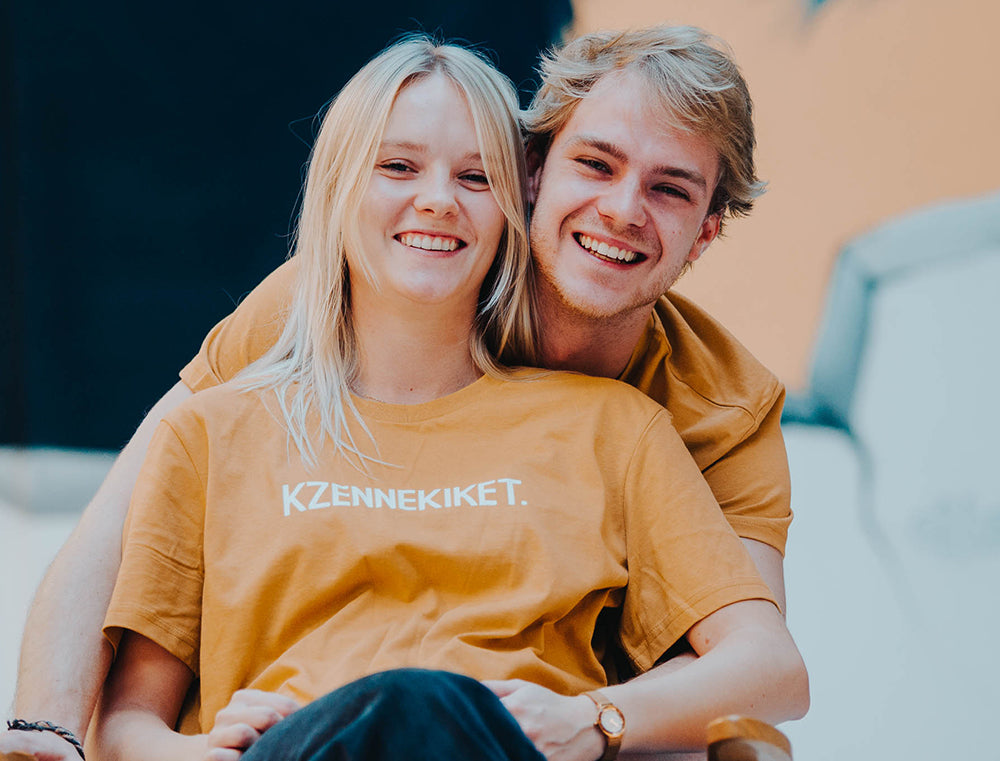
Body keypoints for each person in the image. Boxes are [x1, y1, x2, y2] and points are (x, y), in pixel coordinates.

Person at [1, 26, 804, 761]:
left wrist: (596, 719)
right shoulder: (320, 313)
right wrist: (44, 740)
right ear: (535, 174)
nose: (623, 210)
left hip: (520, 735)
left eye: (670, 189)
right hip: (299, 742)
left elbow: (754, 673)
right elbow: (109, 540)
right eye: (596, 163)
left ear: (706, 231)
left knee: (427, 707)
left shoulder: (689, 415)